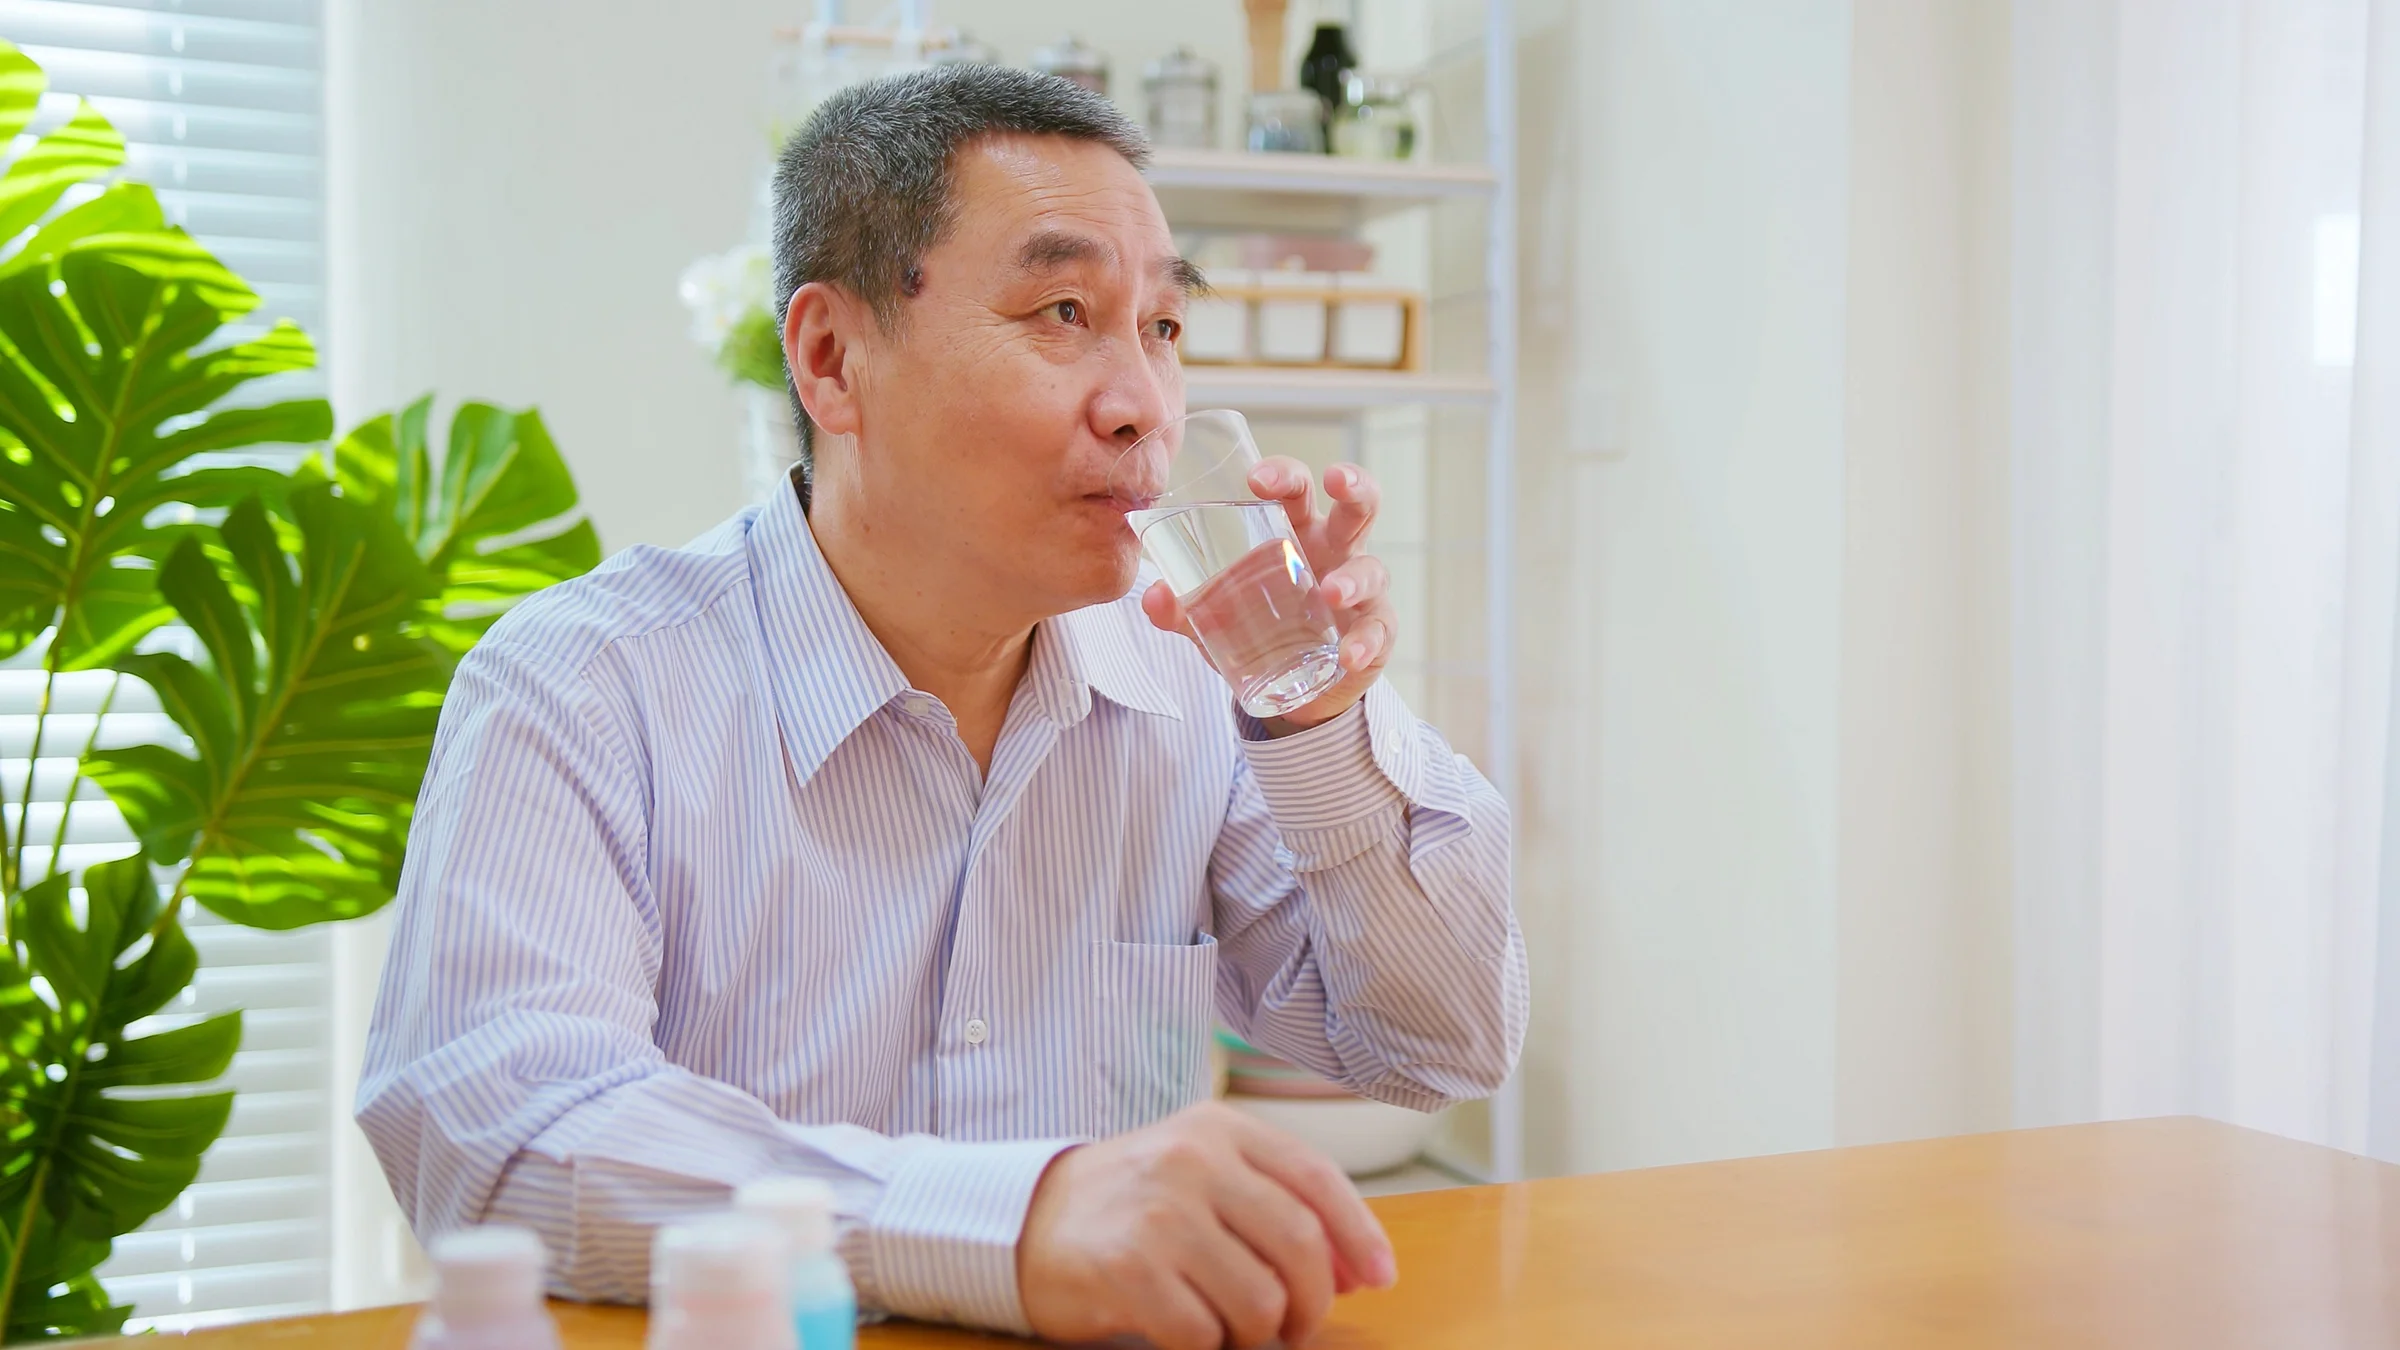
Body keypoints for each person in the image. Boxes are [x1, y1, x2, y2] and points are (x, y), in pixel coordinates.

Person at [356, 64, 1526, 1350]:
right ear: (830, 360)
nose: (1142, 402)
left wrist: (1323, 726)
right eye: (1064, 310)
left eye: (1164, 329)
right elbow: (497, 1138)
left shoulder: (1196, 678)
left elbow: (1436, 1046)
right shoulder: (584, 684)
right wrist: (1014, 1223)